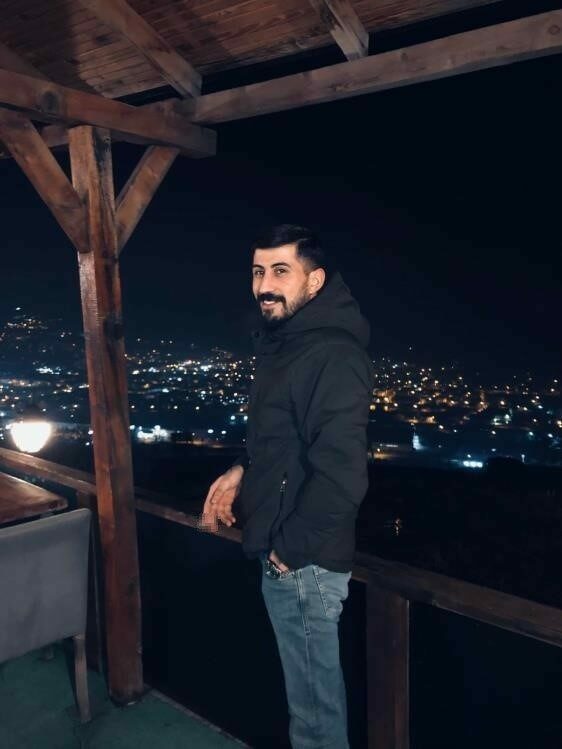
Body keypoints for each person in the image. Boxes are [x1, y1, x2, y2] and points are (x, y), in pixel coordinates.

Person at [201, 225, 373, 749]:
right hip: (294, 555)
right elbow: (281, 439)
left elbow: (343, 474)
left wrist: (287, 554)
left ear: (314, 281)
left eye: (280, 271)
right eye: (258, 272)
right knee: (309, 705)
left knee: (315, 716)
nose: (265, 285)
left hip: (305, 563)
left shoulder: (331, 354)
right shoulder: (290, 345)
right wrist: (241, 469)